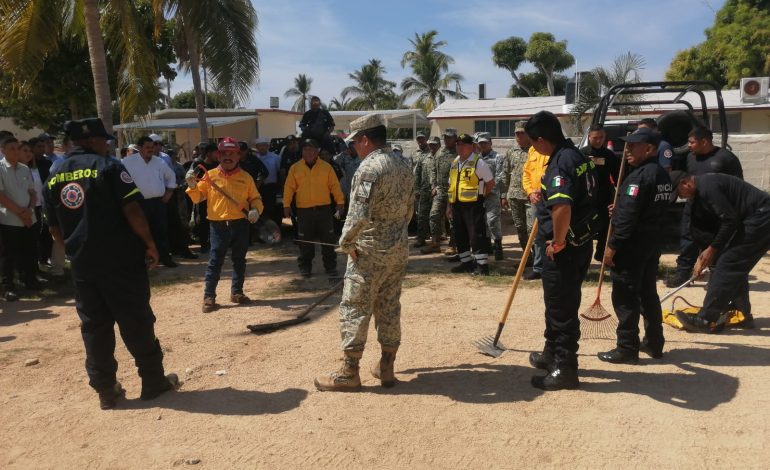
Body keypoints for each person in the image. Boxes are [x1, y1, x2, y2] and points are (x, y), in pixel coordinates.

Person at [44, 118, 178, 409]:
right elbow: (132, 210)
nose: (107, 144)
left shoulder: (53, 175)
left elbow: (54, 227)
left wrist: (74, 250)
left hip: (83, 265)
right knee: (136, 319)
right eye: (104, 139)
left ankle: (105, 389)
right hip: (120, 261)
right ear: (91, 140)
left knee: (94, 326)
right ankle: (153, 381)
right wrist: (150, 244)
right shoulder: (109, 167)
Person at [314, 113, 414, 392]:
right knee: (389, 306)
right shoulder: (403, 163)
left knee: (355, 307)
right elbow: (409, 209)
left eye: (356, 142)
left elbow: (358, 214)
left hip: (368, 252)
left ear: (366, 140)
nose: (354, 147)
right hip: (397, 249)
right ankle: (386, 366)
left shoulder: (369, 168)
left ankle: (349, 373)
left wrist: (346, 243)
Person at [526, 111, 597, 391]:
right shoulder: (576, 156)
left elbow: (562, 206)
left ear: (542, 140)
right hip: (580, 242)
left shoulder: (559, 164)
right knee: (556, 304)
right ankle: (550, 353)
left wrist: (557, 242)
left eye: (533, 143)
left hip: (565, 249)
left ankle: (566, 368)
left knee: (562, 309)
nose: (534, 148)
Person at [598, 128, 672, 364]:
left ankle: (627, 347)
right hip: (651, 244)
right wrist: (619, 206)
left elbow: (628, 217)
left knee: (625, 296)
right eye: (626, 146)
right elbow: (645, 209)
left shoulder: (639, 177)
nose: (627, 150)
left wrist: (612, 246)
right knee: (648, 293)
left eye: (633, 146)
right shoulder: (661, 175)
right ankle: (654, 342)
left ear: (649, 149)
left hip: (632, 247)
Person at [669, 171, 769, 333]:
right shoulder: (702, 192)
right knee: (733, 263)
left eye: (679, 192)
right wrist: (703, 256)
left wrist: (712, 250)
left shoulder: (708, 188)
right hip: (757, 217)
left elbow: (730, 220)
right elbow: (711, 228)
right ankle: (741, 314)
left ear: (685, 183)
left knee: (729, 262)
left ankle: (706, 319)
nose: (682, 197)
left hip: (762, 216)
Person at [185, 137, 263, 313]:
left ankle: (237, 292)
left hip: (240, 224)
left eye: (232, 153)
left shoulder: (246, 177)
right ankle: (209, 296)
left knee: (239, 260)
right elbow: (198, 198)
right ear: (218, 155)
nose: (228, 157)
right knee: (215, 261)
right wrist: (192, 186)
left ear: (238, 156)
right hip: (218, 225)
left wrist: (256, 210)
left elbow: (256, 198)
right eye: (224, 153)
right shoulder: (210, 176)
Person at [667, 125, 743, 287]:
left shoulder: (726, 158)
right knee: (688, 236)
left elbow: (737, 186)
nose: (689, 146)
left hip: (715, 207)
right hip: (694, 204)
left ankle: (716, 275)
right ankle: (683, 272)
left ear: (704, 141)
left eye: (692, 142)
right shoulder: (690, 157)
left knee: (715, 240)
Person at [283, 139, 344, 277]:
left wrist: (340, 203)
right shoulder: (295, 168)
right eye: (305, 149)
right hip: (304, 212)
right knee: (305, 243)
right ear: (302, 151)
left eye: (312, 149)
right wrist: (286, 204)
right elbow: (288, 188)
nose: (308, 152)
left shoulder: (327, 167)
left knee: (328, 241)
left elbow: (335, 186)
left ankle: (330, 267)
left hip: (324, 211)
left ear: (318, 151)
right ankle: (305, 268)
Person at [122, 136, 178, 268]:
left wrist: (169, 192)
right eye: (147, 147)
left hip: (158, 203)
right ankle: (141, 260)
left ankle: (165, 258)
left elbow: (171, 177)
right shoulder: (127, 162)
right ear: (140, 148)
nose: (150, 150)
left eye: (152, 147)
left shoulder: (159, 162)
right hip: (138, 203)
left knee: (161, 231)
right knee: (140, 232)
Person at [446, 133, 496, 276]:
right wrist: (449, 206)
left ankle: (482, 266)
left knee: (476, 235)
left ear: (471, 147)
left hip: (473, 205)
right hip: (456, 204)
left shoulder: (478, 162)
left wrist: (481, 196)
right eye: (458, 144)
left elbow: (490, 183)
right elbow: (451, 185)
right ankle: (466, 263)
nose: (460, 147)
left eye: (464, 145)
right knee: (459, 234)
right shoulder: (455, 162)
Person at [0, 137, 38, 301]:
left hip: (29, 218)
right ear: (3, 150)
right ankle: (8, 287)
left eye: (17, 148)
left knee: (29, 251)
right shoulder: (0, 169)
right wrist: (21, 213)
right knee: (8, 255)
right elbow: (1, 196)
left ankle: (29, 280)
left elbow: (33, 192)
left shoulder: (24, 168)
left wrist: (29, 210)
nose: (16, 151)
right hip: (10, 219)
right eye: (11, 148)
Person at [580, 124, 620, 263]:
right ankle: (585, 258)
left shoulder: (609, 155)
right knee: (586, 230)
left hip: (604, 197)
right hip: (586, 198)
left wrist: (618, 198)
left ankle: (601, 256)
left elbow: (618, 178)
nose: (598, 141)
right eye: (595, 138)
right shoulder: (581, 154)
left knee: (605, 229)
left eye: (601, 137)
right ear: (589, 137)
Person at [421, 128, 457, 255]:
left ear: (455, 138)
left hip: (454, 190)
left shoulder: (459, 152)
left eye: (449, 137)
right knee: (434, 215)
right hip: (440, 190)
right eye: (445, 137)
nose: (447, 140)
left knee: (452, 218)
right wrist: (433, 186)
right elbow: (433, 170)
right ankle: (435, 243)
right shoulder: (440, 152)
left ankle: (453, 245)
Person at [499, 121, 532, 257]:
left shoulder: (535, 150)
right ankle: (527, 257)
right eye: (516, 133)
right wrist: (503, 195)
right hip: (514, 195)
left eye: (521, 133)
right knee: (520, 228)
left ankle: (538, 260)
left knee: (531, 229)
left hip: (530, 196)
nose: (518, 136)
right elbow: (505, 173)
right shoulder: (511, 151)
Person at [521, 138, 551, 280]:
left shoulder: (553, 149)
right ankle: (538, 268)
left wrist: (544, 187)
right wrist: (530, 192)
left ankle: (553, 266)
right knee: (537, 234)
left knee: (553, 232)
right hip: (536, 199)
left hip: (552, 197)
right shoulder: (532, 150)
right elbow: (526, 173)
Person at [186, 142, 218, 253]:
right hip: (202, 198)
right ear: (209, 153)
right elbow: (191, 179)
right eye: (215, 153)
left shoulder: (218, 165)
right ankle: (204, 245)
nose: (217, 155)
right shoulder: (198, 165)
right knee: (203, 221)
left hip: (215, 199)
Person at [476, 132, 504, 260]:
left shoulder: (498, 157)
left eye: (485, 143)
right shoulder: (477, 158)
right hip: (479, 195)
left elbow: (500, 176)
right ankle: (486, 247)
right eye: (480, 143)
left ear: (490, 143)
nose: (482, 145)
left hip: (492, 195)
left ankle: (498, 246)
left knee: (492, 221)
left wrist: (489, 188)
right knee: (482, 221)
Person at [412, 132, 432, 248]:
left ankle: (437, 236)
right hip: (420, 187)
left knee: (434, 214)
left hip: (432, 186)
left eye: (422, 138)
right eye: (418, 139)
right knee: (421, 213)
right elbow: (414, 172)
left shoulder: (432, 152)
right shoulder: (415, 154)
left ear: (426, 139)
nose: (420, 141)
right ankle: (421, 237)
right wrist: (416, 189)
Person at [254, 137, 281, 224]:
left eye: (264, 145)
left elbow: (279, 172)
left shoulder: (276, 157)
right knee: (260, 209)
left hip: (271, 187)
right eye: (259, 146)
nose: (262, 147)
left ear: (267, 146)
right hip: (259, 188)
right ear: (256, 147)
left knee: (271, 210)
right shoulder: (254, 159)